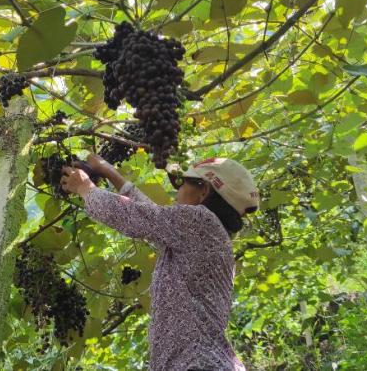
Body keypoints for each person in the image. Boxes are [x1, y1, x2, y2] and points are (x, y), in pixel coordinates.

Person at [60, 155, 259, 371]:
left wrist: (85, 188)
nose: (177, 190)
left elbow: (132, 216)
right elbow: (150, 217)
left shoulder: (203, 222)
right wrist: (109, 172)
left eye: (182, 183)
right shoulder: (208, 236)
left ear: (204, 191)